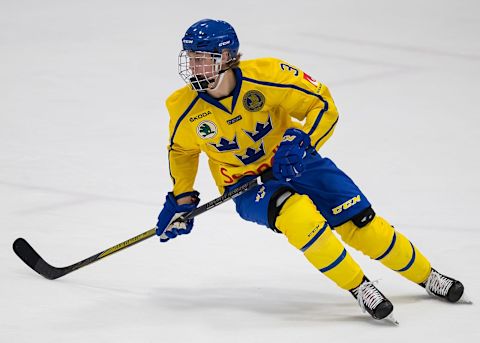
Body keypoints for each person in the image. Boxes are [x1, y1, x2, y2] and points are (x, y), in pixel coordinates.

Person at [155, 18, 465, 321]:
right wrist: (182, 196)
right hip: (246, 184)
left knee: (362, 224)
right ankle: (360, 288)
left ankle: (429, 276)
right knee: (298, 216)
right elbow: (182, 151)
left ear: (227, 57)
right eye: (190, 59)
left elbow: (323, 104)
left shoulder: (269, 75)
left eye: (202, 59)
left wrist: (304, 139)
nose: (194, 68)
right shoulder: (182, 107)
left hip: (295, 162)